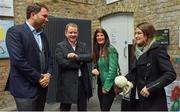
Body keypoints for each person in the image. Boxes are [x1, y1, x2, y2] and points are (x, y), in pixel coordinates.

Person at [5, 3, 52, 111]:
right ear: (33, 15)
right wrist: (40, 77)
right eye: (44, 16)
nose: (47, 19)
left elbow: (49, 57)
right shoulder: (15, 32)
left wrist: (48, 74)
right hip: (24, 88)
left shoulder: (43, 35)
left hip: (42, 88)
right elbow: (18, 61)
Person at [122, 22, 177, 111]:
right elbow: (134, 73)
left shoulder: (157, 50)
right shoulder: (136, 51)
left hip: (153, 102)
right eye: (135, 33)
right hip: (136, 100)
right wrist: (122, 80)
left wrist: (150, 87)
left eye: (139, 33)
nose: (136, 36)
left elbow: (170, 74)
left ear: (148, 34)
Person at [55, 23, 92, 111]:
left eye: (75, 32)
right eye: (70, 32)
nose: (73, 35)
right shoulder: (60, 46)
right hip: (67, 83)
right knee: (65, 108)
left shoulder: (83, 45)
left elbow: (89, 57)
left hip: (81, 82)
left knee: (82, 108)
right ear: (66, 33)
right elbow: (62, 62)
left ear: (78, 33)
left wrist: (76, 57)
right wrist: (80, 62)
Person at [91, 28, 119, 111]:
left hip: (108, 85)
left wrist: (106, 87)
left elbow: (113, 70)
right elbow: (98, 66)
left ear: (105, 37)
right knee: (103, 109)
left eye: (101, 35)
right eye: (97, 36)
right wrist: (93, 71)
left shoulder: (110, 49)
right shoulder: (98, 50)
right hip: (100, 84)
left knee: (104, 109)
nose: (99, 37)